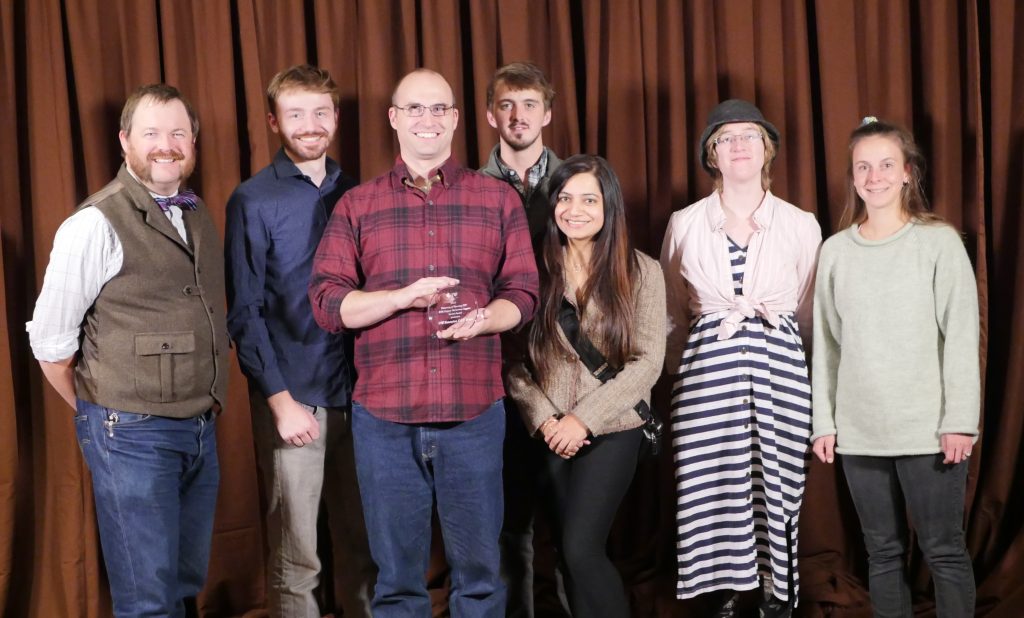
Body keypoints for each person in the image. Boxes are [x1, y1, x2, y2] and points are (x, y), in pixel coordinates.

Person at [307, 68, 539, 617]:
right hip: (385, 418)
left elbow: (525, 293)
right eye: (415, 108)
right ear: (394, 119)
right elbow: (326, 302)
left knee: (481, 580)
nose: (427, 120)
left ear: (456, 119)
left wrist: (484, 319)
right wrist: (399, 298)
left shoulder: (498, 200)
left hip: (474, 415)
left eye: (439, 108)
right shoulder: (357, 206)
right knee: (398, 584)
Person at [26, 84, 228, 617]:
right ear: (125, 142)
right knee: (146, 599)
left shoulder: (196, 213)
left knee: (184, 583)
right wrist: (102, 416)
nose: (168, 145)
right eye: (152, 133)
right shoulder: (94, 223)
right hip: (131, 434)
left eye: (179, 132)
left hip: (199, 428)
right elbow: (50, 345)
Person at [811, 118, 979, 617]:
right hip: (861, 434)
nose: (874, 176)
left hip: (929, 431)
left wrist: (959, 421)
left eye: (886, 165)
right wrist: (826, 421)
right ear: (853, 176)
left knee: (943, 550)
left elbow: (963, 338)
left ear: (907, 172)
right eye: (863, 166)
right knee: (882, 554)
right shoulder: (835, 251)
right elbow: (826, 344)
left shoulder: (938, 242)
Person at [225, 64, 375, 617]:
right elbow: (244, 312)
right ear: (273, 121)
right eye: (295, 114)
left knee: (364, 547)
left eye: (320, 112)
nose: (309, 125)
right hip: (295, 398)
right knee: (298, 557)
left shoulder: (361, 194)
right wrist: (280, 401)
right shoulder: (252, 200)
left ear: (335, 118)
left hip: (362, 400)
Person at [660, 99, 821, 617]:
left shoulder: (801, 225)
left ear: (766, 149)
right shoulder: (684, 223)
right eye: (726, 138)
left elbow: (811, 311)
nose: (739, 145)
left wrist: (802, 369)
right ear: (713, 154)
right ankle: (725, 594)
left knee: (774, 484)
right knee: (714, 487)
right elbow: (670, 314)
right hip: (707, 379)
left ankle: (775, 593)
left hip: (782, 375)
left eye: (749, 135)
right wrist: (684, 372)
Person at [506, 154, 666, 618]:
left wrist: (583, 420)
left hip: (613, 427)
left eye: (589, 199)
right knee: (564, 554)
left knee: (580, 547)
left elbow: (648, 361)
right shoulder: (529, 270)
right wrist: (545, 418)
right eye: (565, 197)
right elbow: (513, 359)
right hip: (549, 431)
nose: (575, 209)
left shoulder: (641, 271)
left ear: (608, 206)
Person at [479, 61, 568, 618]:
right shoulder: (469, 187)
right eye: (507, 105)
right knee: (511, 518)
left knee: (570, 517)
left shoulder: (577, 182)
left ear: (548, 114)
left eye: (529, 104)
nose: (518, 116)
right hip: (501, 369)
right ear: (491, 115)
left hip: (569, 366)